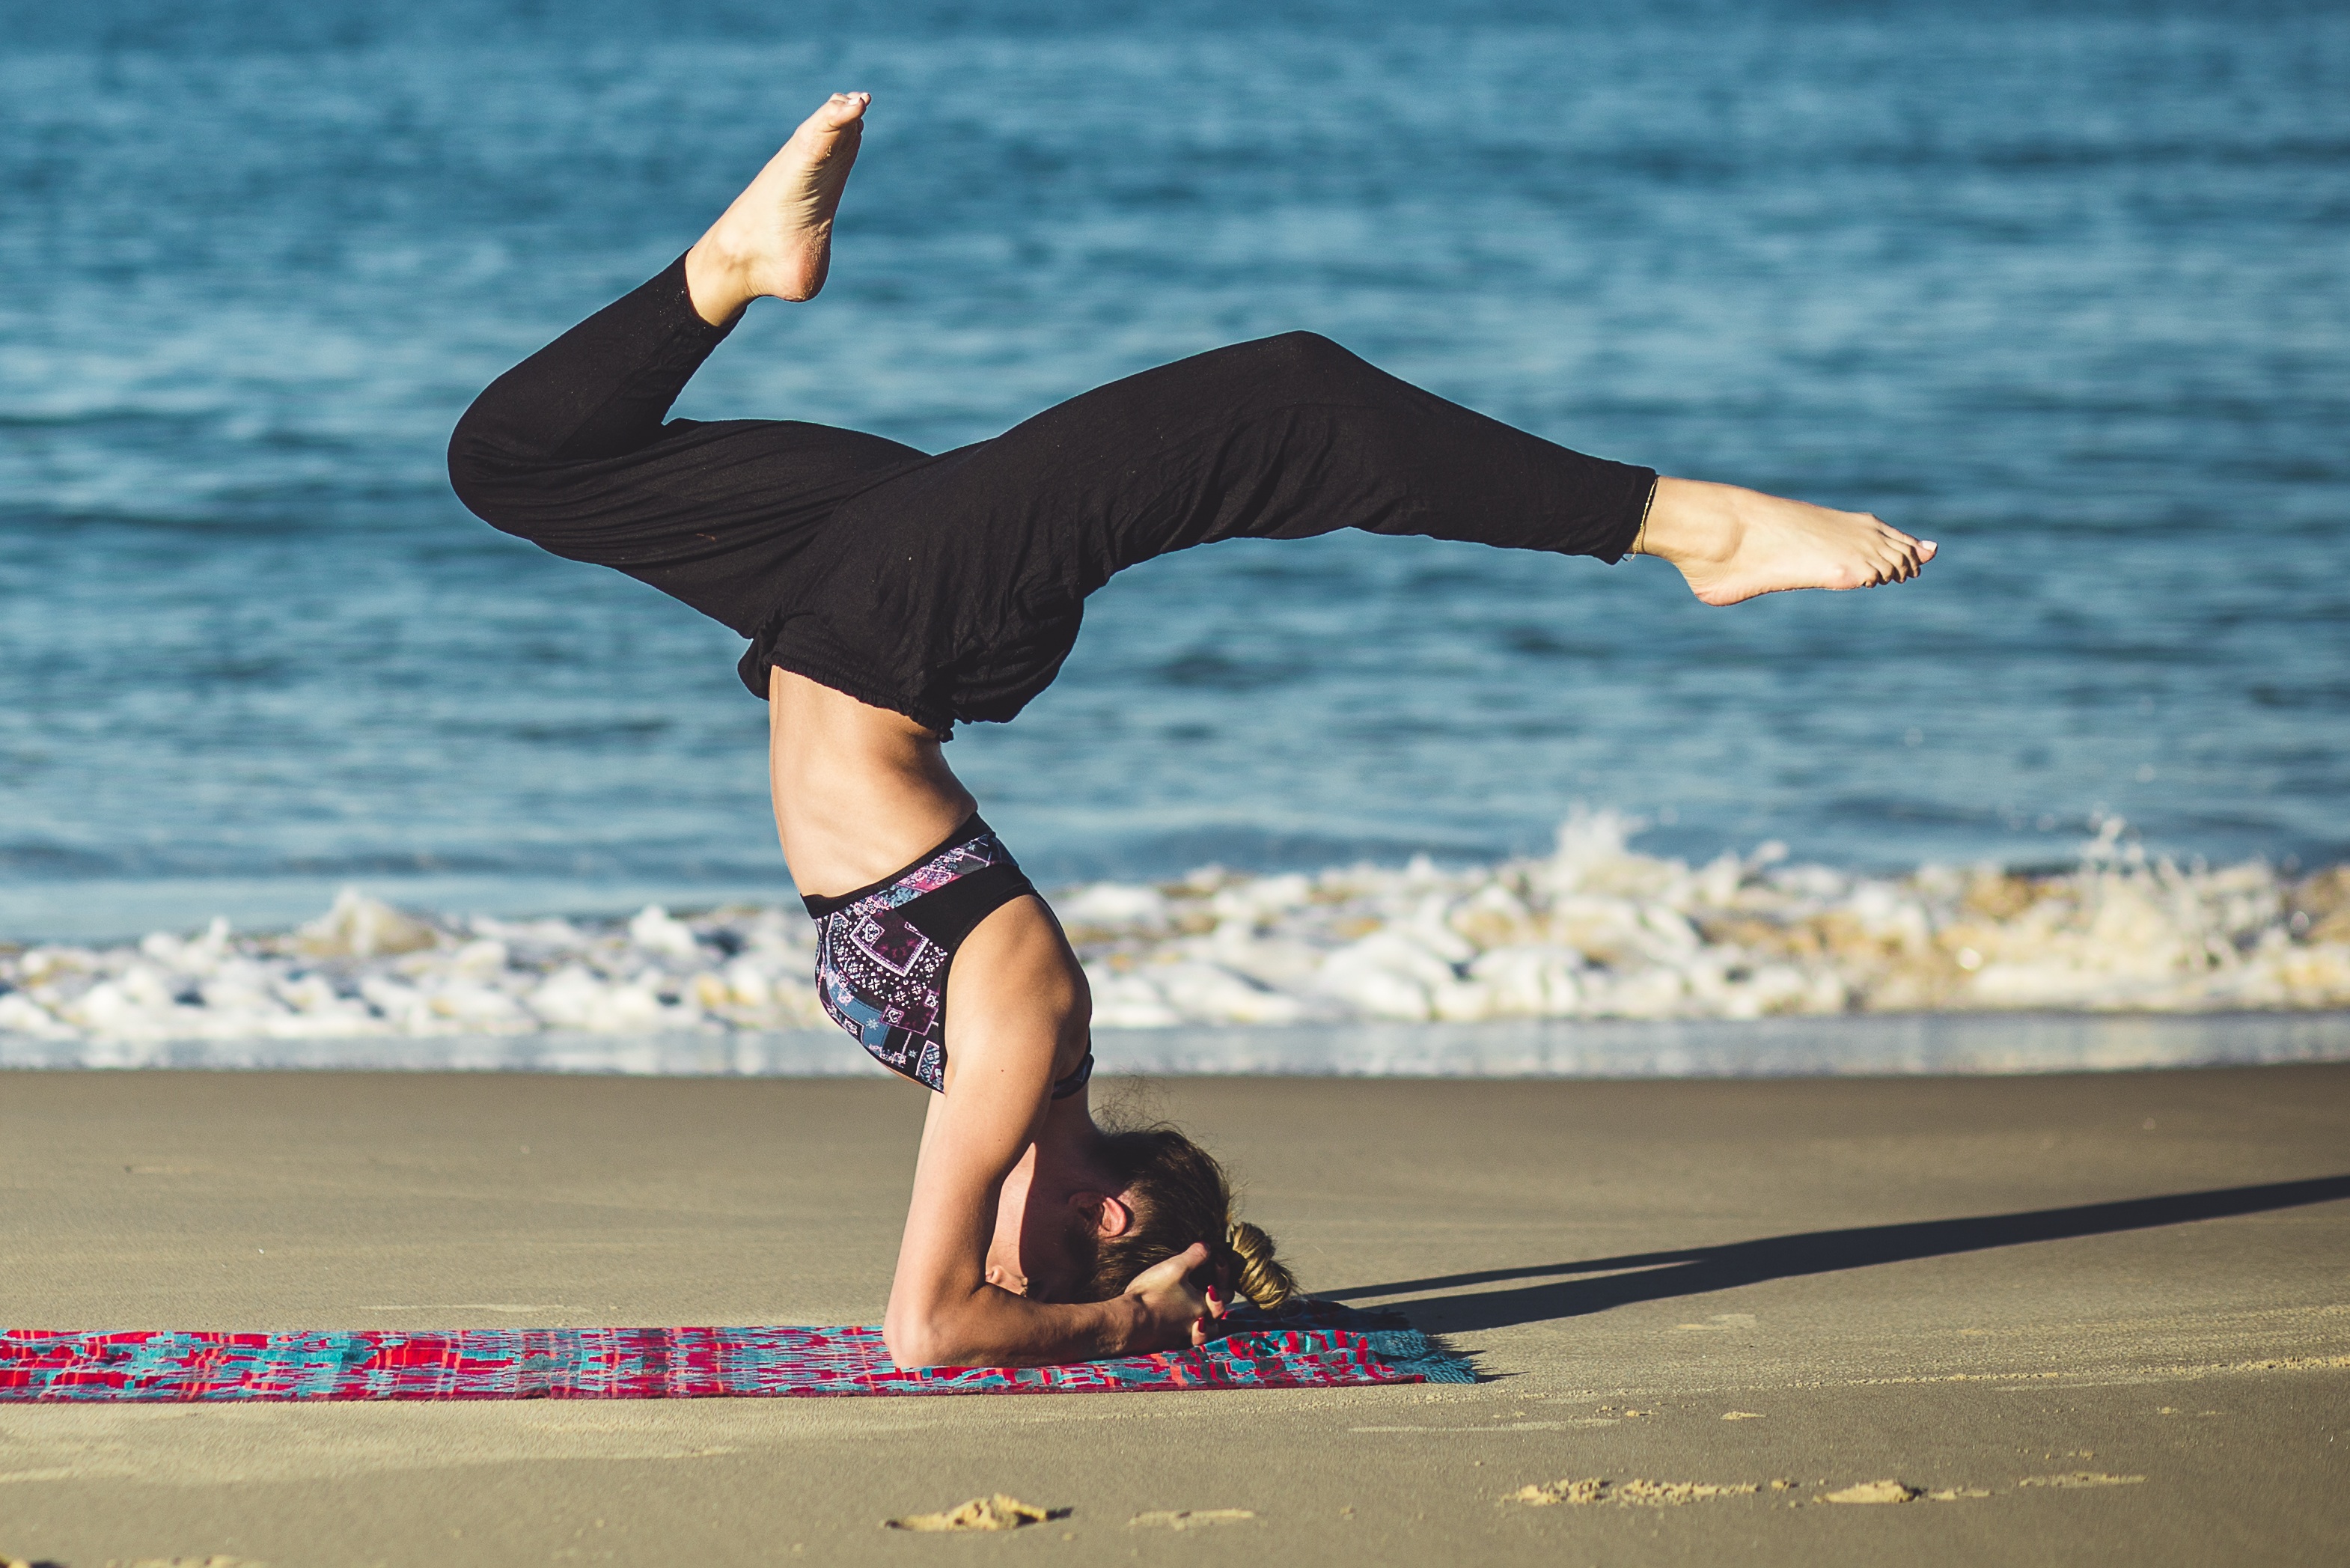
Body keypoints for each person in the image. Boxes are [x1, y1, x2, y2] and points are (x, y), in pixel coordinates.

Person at [448, 94, 1934, 1370]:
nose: (986, 1249)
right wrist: (1135, 1324)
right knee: (1295, 394)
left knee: (515, 463)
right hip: (911, 623)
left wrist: (1137, 1309)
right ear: (1110, 1216)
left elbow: (943, 1314)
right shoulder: (1025, 1030)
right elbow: (932, 1327)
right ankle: (1697, 530)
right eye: (1028, 1260)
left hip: (836, 603)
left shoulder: (987, 1076)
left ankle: (733, 268)